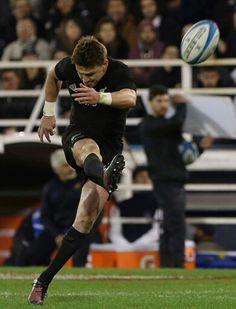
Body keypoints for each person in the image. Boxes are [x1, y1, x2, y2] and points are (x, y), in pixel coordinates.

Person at [27, 35, 136, 305]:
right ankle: (106, 175)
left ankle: (42, 281)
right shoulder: (70, 67)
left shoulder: (119, 70)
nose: (85, 79)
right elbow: (52, 75)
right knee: (89, 150)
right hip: (78, 136)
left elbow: (130, 98)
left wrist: (101, 96)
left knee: (86, 218)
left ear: (104, 63)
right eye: (82, 74)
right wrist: (48, 112)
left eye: (91, 74)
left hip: (111, 146)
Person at [139, 84, 214, 268]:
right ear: (150, 103)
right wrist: (180, 104)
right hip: (165, 181)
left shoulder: (167, 128)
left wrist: (201, 148)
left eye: (166, 100)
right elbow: (176, 122)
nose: (164, 104)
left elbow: (184, 158)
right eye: (159, 101)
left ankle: (166, 265)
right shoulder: (149, 125)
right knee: (177, 225)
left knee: (168, 225)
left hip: (174, 180)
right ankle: (178, 266)